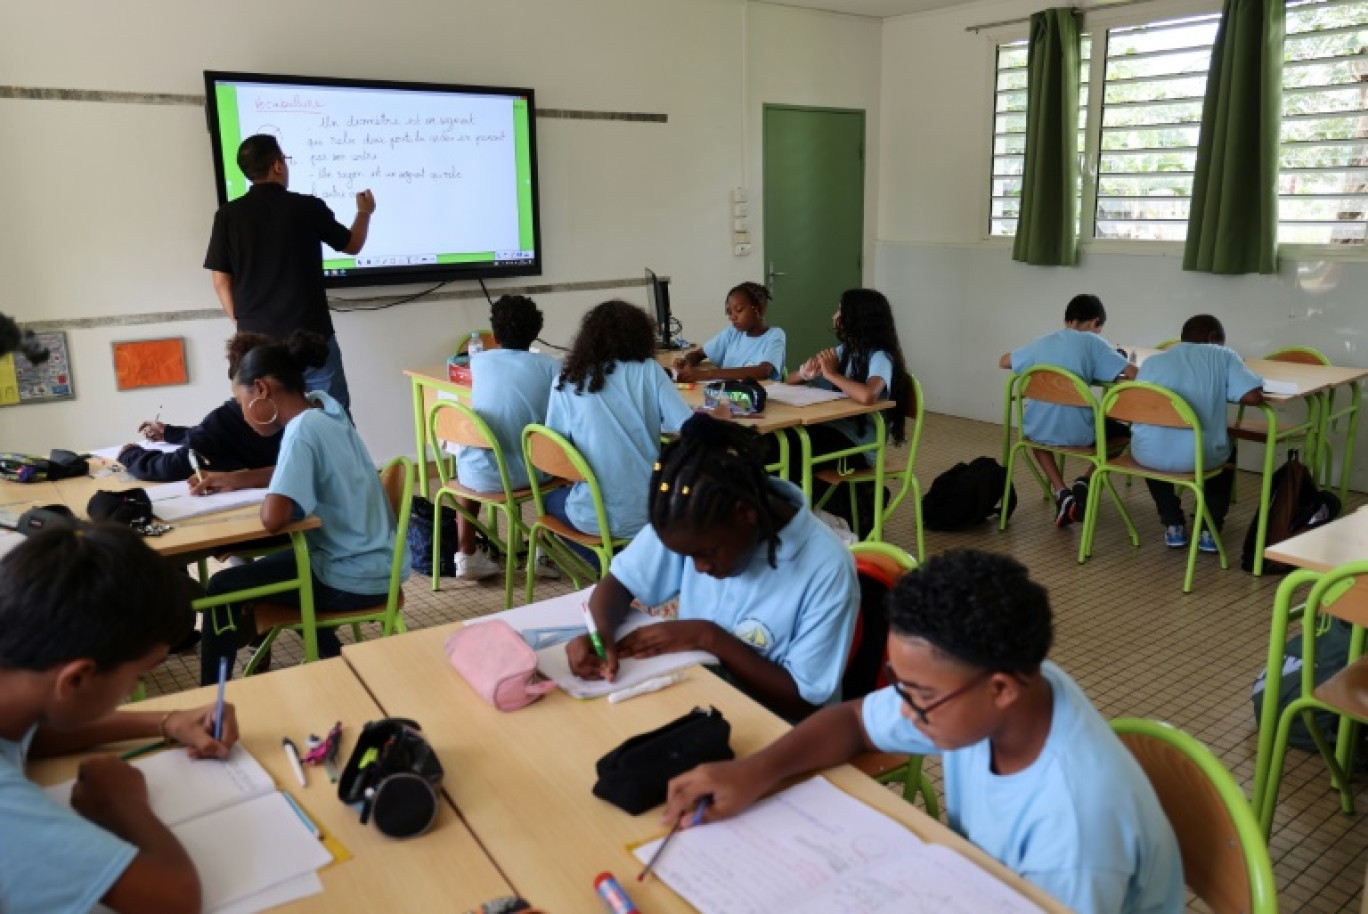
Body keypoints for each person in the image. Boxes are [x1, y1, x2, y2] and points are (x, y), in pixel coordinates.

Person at [663, 550, 1184, 914]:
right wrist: (753, 773)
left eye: (919, 695)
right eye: (899, 685)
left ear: (1001, 688)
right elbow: (852, 721)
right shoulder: (998, 692)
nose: (905, 711)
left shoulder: (1073, 833)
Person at [0, 523, 241, 914]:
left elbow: (30, 732)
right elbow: (174, 900)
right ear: (76, 678)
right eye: (138, 676)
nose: (133, 689)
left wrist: (166, 721)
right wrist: (123, 805)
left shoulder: (15, 682)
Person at [567, 415, 857, 720]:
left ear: (745, 514)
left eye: (706, 554)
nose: (700, 568)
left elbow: (802, 701)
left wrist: (707, 637)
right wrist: (600, 633)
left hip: (778, 727)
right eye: (689, 556)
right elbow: (619, 583)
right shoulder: (690, 517)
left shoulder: (827, 567)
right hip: (701, 696)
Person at [196, 331, 406, 685]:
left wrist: (266, 498)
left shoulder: (299, 431)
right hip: (377, 563)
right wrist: (237, 479)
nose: (243, 414)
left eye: (242, 401)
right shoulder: (326, 412)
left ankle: (207, 696)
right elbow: (297, 473)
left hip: (351, 577)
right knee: (280, 567)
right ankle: (331, 657)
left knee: (222, 587)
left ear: (261, 389)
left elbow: (273, 519)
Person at [204, 133, 376, 412]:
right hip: (312, 339)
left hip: (257, 346)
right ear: (277, 166)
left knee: (268, 427)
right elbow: (353, 245)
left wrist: (241, 321)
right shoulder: (307, 208)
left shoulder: (228, 215)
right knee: (332, 421)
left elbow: (221, 281)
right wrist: (364, 212)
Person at [543, 300, 693, 555]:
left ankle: (607, 568)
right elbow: (688, 427)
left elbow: (554, 452)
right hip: (651, 511)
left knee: (549, 503)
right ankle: (627, 564)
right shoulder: (650, 371)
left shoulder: (568, 380)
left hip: (593, 516)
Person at [998, 293, 1137, 528]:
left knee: (1036, 439)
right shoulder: (1094, 342)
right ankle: (1085, 479)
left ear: (1067, 320)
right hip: (1080, 434)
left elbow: (1004, 361)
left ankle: (1061, 492)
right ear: (1095, 323)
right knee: (1125, 433)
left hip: (1037, 430)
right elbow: (1133, 374)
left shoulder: (1043, 341)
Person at [448, 295, 560, 581]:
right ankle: (541, 553)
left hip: (475, 476)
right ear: (536, 333)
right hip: (528, 477)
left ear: (494, 336)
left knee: (469, 455)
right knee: (564, 459)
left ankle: (466, 553)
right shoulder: (550, 367)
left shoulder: (479, 362)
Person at [1130, 314, 1263, 552]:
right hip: (1198, 458)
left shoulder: (1153, 361)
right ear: (1213, 338)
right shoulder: (1223, 355)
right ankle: (1208, 530)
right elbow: (1253, 396)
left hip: (1147, 456)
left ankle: (1172, 524)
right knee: (1227, 450)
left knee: (1154, 444)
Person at [781, 288, 912, 526]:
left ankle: (799, 517)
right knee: (779, 442)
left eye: (840, 310)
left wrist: (831, 374)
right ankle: (795, 512)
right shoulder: (845, 352)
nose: (834, 316)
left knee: (789, 450)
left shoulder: (880, 357)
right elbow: (788, 382)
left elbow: (868, 395)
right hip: (833, 433)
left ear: (857, 318)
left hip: (858, 447)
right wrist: (804, 373)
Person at [118, 332, 281, 488]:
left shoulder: (227, 419)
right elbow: (213, 437)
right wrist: (169, 432)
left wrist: (131, 454)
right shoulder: (290, 408)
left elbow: (170, 467)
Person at [673, 282, 786, 383]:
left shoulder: (774, 335)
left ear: (759, 308)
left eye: (739, 310)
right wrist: (686, 362)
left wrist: (707, 374)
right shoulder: (733, 332)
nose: (733, 317)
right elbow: (699, 354)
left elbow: (763, 371)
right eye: (730, 313)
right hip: (728, 395)